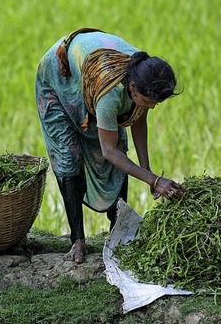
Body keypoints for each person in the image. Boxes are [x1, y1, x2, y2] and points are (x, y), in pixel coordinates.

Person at [34, 28, 186, 264]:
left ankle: (117, 231)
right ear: (133, 88)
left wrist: (150, 175)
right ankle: (77, 241)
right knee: (68, 156)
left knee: (118, 151)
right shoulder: (111, 92)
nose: (153, 107)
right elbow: (109, 151)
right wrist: (154, 180)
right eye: (149, 101)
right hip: (58, 79)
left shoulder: (143, 72)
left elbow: (138, 118)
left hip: (90, 76)